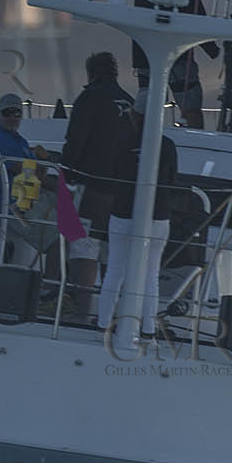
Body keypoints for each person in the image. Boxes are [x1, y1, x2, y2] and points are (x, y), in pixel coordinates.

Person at [97, 98, 179, 342]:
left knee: (115, 270)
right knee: (151, 274)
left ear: (137, 116)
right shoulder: (167, 145)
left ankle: (103, 325)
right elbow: (172, 180)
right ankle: (148, 330)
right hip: (157, 217)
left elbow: (113, 172)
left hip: (123, 213)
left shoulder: (123, 143)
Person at [60, 51, 136, 307]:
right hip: (124, 194)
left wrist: (66, 174)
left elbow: (75, 140)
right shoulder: (129, 102)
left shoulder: (90, 98)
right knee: (111, 254)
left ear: (91, 73)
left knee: (84, 250)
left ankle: (83, 311)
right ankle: (110, 312)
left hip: (91, 187)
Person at [131, 0, 219, 130]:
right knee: (191, 102)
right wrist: (213, 50)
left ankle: (133, 136)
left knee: (146, 98)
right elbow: (198, 18)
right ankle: (194, 142)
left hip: (144, 55)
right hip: (177, 56)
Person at [0, 95, 54, 271]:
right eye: (8, 113)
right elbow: (28, 172)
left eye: (17, 113)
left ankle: (43, 285)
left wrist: (42, 162)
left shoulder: (19, 140)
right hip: (10, 209)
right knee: (59, 239)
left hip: (24, 205)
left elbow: (35, 176)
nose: (13, 117)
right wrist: (59, 185)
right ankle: (51, 290)